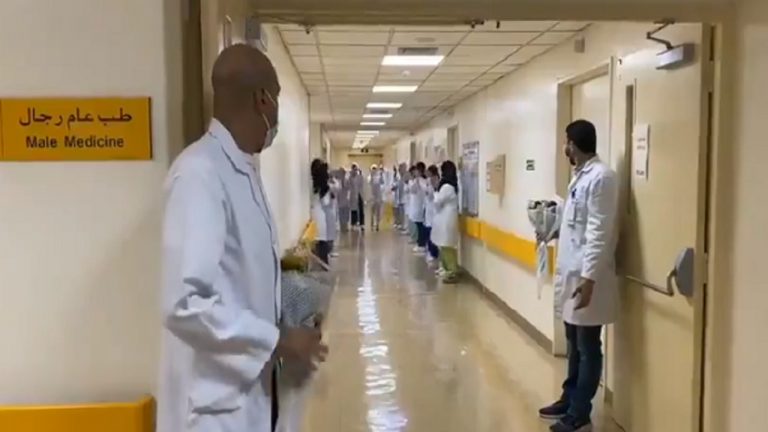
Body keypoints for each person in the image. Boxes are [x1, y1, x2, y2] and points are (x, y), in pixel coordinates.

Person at [158, 44, 328, 432]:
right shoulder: (199, 174)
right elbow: (183, 302)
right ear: (262, 100)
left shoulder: (242, 170)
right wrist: (279, 340)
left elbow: (237, 272)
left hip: (246, 394)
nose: (277, 114)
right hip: (212, 409)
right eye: (277, 100)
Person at [538, 120, 618, 432]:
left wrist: (588, 280)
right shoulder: (581, 177)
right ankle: (569, 398)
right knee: (573, 341)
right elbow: (575, 224)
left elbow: (599, 231)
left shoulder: (602, 178)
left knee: (587, 346)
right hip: (573, 272)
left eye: (566, 142)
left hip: (587, 277)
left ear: (572, 144)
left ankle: (580, 412)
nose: (564, 148)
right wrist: (551, 230)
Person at [432, 160, 460, 283]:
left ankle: (452, 272)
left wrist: (435, 191)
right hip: (445, 219)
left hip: (447, 220)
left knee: (447, 246)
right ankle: (446, 269)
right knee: (444, 245)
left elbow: (437, 202)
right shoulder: (450, 186)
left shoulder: (447, 187)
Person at [311, 159, 336, 265]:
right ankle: (323, 261)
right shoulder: (324, 188)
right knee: (324, 242)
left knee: (323, 241)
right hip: (324, 218)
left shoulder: (317, 186)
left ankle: (323, 259)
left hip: (321, 218)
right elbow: (326, 203)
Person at [424, 165, 440, 265]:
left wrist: (430, 187)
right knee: (428, 232)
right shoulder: (428, 181)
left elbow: (431, 195)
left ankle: (434, 253)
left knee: (432, 233)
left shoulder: (435, 181)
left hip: (434, 211)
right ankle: (431, 251)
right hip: (429, 210)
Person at [410, 162, 428, 253]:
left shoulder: (423, 181)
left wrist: (418, 182)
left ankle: (422, 244)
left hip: (421, 206)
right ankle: (419, 242)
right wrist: (416, 182)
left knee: (421, 226)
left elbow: (425, 191)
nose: (415, 172)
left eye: (416, 170)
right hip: (416, 206)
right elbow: (412, 190)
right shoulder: (415, 180)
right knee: (418, 225)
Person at [349, 164, 365, 231]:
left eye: (356, 169)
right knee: (353, 210)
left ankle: (362, 224)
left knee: (361, 209)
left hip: (359, 194)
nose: (355, 171)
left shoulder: (360, 177)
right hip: (353, 195)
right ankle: (353, 224)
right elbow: (347, 185)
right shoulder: (349, 177)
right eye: (354, 169)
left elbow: (362, 185)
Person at [334, 167, 351, 233]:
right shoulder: (337, 181)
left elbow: (349, 189)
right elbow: (336, 190)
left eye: (342, 173)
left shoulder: (346, 180)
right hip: (340, 200)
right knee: (341, 214)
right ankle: (342, 227)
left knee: (346, 214)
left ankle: (345, 226)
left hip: (345, 199)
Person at [369, 164, 385, 231]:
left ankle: (377, 225)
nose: (374, 171)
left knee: (378, 212)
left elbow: (382, 182)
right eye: (373, 169)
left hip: (378, 196)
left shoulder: (379, 177)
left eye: (375, 169)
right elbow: (370, 183)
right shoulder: (370, 177)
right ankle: (372, 224)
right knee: (372, 211)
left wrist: (381, 175)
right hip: (373, 197)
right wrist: (371, 176)